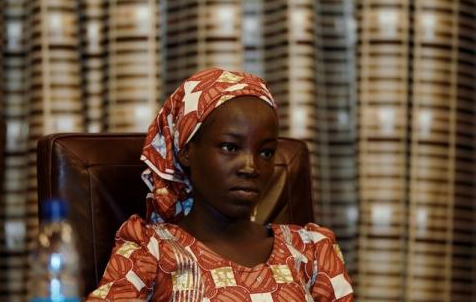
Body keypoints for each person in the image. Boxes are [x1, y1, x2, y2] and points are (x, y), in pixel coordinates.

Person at [87, 68, 354, 301]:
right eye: (230, 147)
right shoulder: (150, 252)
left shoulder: (313, 251)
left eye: (266, 152)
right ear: (187, 151)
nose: (250, 166)